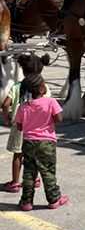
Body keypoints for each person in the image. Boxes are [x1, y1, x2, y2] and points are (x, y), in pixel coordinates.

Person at [14, 73, 66, 210]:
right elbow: (59, 119)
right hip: (46, 143)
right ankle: (54, 199)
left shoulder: (23, 106)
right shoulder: (50, 102)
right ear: (42, 90)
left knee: (29, 173)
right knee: (48, 171)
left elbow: (19, 127)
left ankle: (26, 202)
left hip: (29, 142)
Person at [2, 54, 49, 194]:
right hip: (38, 127)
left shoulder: (17, 87)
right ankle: (35, 179)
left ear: (23, 71)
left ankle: (15, 183)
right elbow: (48, 105)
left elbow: (5, 104)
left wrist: (7, 119)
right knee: (35, 154)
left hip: (20, 125)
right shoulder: (43, 88)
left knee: (18, 154)